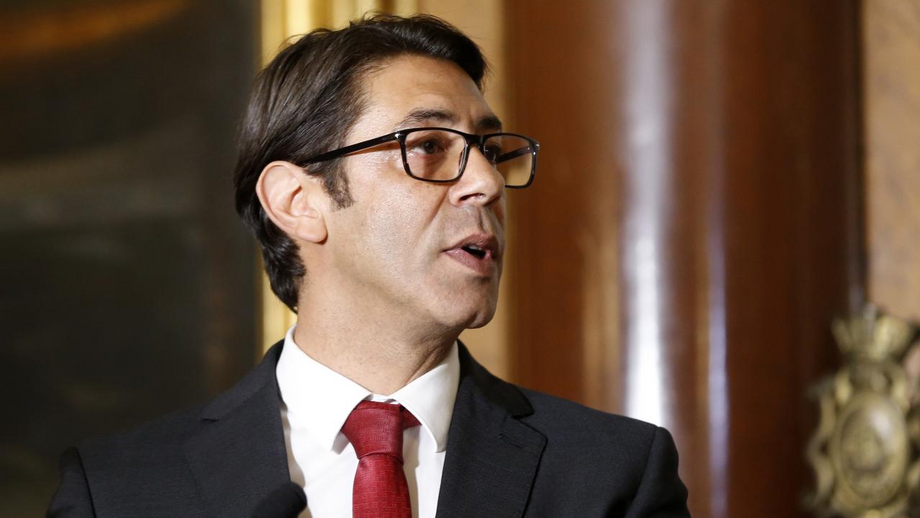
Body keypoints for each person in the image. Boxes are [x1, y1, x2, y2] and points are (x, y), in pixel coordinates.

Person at [48, 14, 690, 518]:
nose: (488, 183)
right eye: (429, 146)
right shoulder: (121, 491)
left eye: (491, 152)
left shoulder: (612, 474)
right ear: (297, 202)